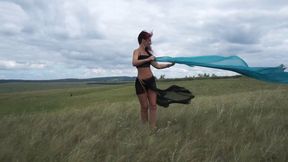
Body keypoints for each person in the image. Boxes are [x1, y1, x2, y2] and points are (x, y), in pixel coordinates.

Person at [132, 30, 175, 129]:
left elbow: (158, 66)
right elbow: (134, 62)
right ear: (143, 40)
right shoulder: (136, 51)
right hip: (140, 82)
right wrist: (148, 59)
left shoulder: (148, 53)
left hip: (151, 81)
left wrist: (169, 65)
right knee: (144, 107)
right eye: (149, 39)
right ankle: (144, 127)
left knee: (153, 105)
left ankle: (153, 127)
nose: (150, 42)